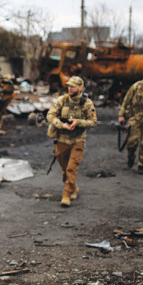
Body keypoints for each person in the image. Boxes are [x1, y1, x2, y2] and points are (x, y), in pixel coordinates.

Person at [46, 76, 97, 207]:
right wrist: (61, 124)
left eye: (73, 86)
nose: (70, 88)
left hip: (77, 139)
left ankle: (66, 194)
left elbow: (93, 122)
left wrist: (78, 122)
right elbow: (50, 115)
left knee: (71, 168)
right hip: (62, 139)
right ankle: (73, 186)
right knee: (64, 168)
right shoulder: (62, 100)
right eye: (69, 85)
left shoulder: (87, 103)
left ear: (80, 88)